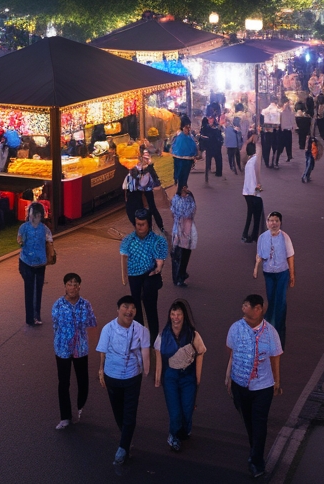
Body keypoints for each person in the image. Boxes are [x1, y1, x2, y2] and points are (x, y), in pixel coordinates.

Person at [225, 294, 283, 479]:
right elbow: (231, 352)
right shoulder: (235, 328)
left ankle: (256, 461)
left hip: (263, 387)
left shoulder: (271, 332)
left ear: (258, 309)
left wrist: (276, 381)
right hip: (240, 384)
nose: (243, 308)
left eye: (247, 305)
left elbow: (275, 357)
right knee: (249, 422)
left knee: (259, 423)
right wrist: (229, 376)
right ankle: (255, 449)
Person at [97, 295, 152, 466]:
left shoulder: (142, 330)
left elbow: (145, 352)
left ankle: (123, 447)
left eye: (133, 308)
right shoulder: (108, 329)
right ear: (118, 309)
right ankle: (126, 435)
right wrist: (101, 369)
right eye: (125, 307)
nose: (129, 311)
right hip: (111, 376)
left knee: (129, 412)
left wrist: (146, 371)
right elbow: (103, 351)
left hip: (132, 377)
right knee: (118, 410)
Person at [153, 300, 207, 452]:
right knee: (175, 411)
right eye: (173, 314)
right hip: (170, 376)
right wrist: (158, 378)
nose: (175, 318)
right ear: (169, 316)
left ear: (184, 316)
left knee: (188, 408)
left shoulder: (193, 335)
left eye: (179, 314)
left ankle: (185, 429)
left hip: (188, 376)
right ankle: (174, 435)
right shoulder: (163, 335)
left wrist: (197, 379)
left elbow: (200, 353)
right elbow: (158, 356)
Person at [51, 272, 98, 429]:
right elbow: (55, 325)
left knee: (82, 380)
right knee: (63, 382)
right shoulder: (58, 305)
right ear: (64, 286)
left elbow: (92, 322)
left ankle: (80, 406)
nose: (72, 287)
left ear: (79, 286)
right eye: (69, 284)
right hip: (62, 349)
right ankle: (65, 417)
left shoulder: (86, 304)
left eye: (75, 284)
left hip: (80, 348)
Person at [120, 210, 168, 340]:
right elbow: (123, 258)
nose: (139, 227)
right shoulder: (129, 239)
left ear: (149, 224)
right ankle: (139, 336)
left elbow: (160, 260)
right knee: (135, 306)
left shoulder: (157, 240)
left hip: (150, 275)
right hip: (134, 275)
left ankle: (153, 338)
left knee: (150, 306)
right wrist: (124, 276)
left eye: (142, 224)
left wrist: (158, 269)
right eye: (137, 224)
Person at [254, 212, 295, 344]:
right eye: (271, 220)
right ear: (267, 223)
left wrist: (292, 275)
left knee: (281, 301)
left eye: (276, 220)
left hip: (282, 272)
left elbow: (290, 256)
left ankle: (279, 331)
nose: (273, 223)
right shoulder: (262, 237)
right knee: (271, 299)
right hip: (269, 272)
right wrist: (256, 268)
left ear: (280, 223)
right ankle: (269, 328)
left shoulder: (285, 237)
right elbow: (259, 255)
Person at [17, 201, 54, 326]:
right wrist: (21, 241)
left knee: (38, 289)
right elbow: (19, 238)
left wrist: (50, 249)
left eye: (36, 215)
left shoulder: (44, 229)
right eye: (31, 214)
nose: (32, 217)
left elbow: (50, 240)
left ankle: (36, 316)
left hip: (40, 264)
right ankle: (30, 318)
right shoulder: (24, 227)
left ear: (40, 216)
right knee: (29, 289)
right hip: (26, 262)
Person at [169, 184, 198, 287]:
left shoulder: (177, 198)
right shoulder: (187, 198)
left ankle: (180, 276)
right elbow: (190, 212)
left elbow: (174, 213)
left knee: (181, 254)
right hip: (184, 230)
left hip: (181, 229)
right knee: (181, 255)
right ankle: (179, 277)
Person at [241, 138, 264, 243]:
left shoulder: (249, 162)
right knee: (256, 216)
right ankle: (250, 235)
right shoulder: (255, 161)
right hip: (254, 193)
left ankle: (249, 234)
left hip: (247, 192)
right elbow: (256, 179)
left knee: (251, 214)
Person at [171, 118, 198, 190]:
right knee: (179, 178)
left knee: (184, 179)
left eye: (189, 127)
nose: (188, 129)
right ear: (182, 127)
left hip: (188, 161)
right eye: (187, 127)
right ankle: (179, 193)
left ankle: (182, 191)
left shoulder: (189, 136)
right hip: (179, 160)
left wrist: (194, 157)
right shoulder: (179, 136)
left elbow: (193, 147)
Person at [200, 112, 224, 176]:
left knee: (218, 159)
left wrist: (220, 142)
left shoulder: (217, 126)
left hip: (216, 146)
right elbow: (202, 135)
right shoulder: (205, 127)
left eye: (212, 118)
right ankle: (207, 171)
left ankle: (219, 173)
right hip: (209, 146)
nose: (210, 120)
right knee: (208, 160)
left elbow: (220, 135)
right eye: (209, 118)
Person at [263, 102, 283, 167]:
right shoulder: (277, 111)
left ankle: (267, 162)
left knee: (267, 147)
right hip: (275, 132)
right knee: (275, 147)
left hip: (267, 131)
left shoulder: (264, 110)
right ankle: (274, 162)